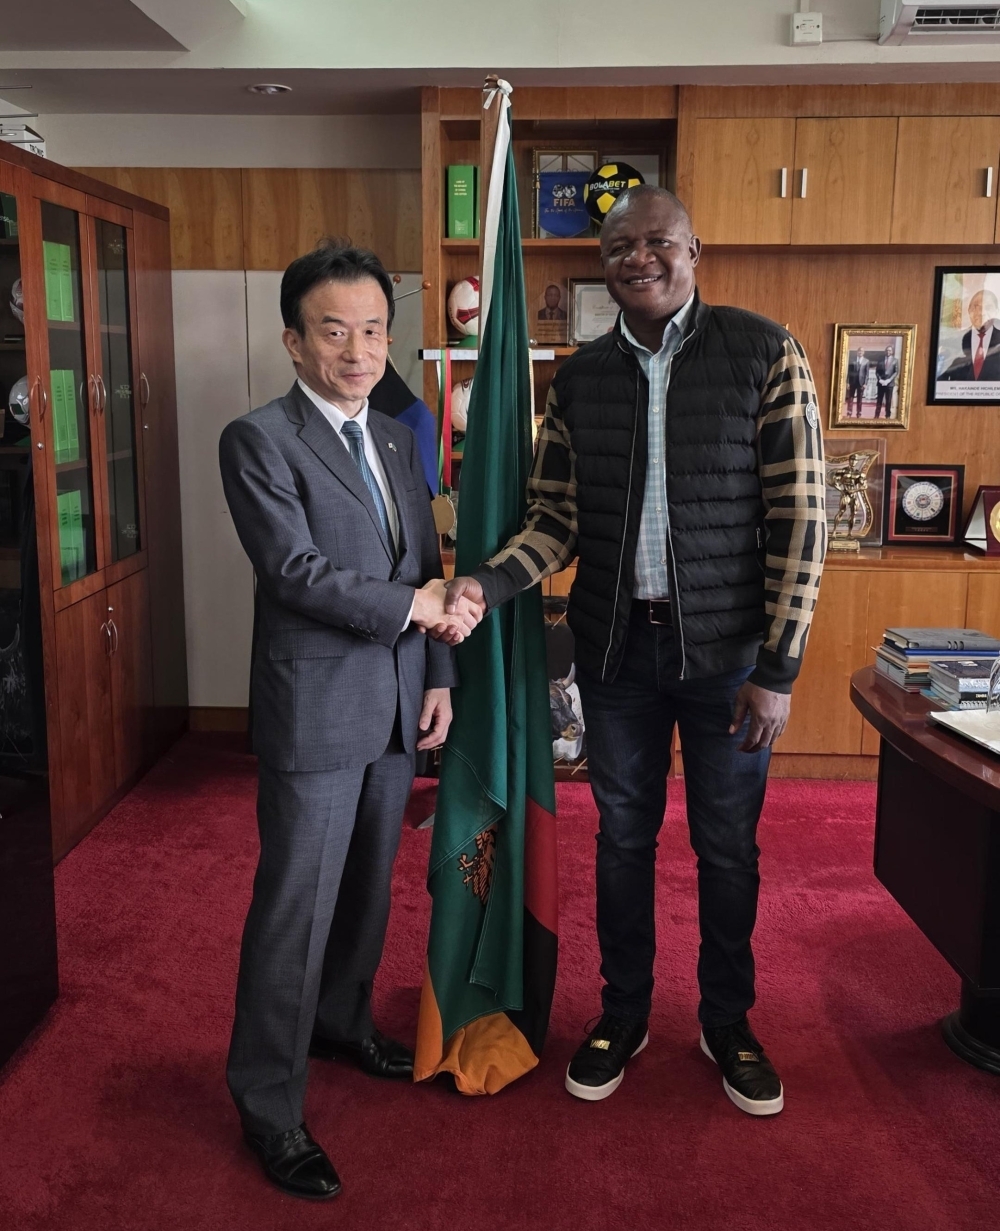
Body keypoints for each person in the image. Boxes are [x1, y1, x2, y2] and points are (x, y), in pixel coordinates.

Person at [445, 185, 826, 1116]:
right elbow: (554, 519)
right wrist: (486, 582)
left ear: (695, 252)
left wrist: (778, 668)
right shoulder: (580, 378)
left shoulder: (764, 351)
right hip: (617, 660)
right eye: (620, 246)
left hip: (730, 664)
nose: (639, 258)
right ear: (603, 264)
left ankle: (728, 1021)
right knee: (623, 839)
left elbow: (802, 516)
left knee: (726, 846)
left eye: (659, 242)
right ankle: (623, 1013)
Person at [218, 240, 482, 1200]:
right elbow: (295, 572)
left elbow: (426, 564)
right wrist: (415, 609)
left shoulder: (400, 438)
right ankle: (268, 1103)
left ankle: (340, 1022)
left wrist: (440, 673)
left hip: (399, 703)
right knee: (296, 905)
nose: (359, 350)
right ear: (294, 340)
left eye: (373, 330)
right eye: (334, 331)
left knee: (369, 888)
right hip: (317, 711)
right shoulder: (258, 440)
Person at [941, 288, 1000, 382]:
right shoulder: (955, 340)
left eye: (988, 307)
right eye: (976, 307)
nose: (981, 313)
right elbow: (940, 378)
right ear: (969, 310)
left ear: (996, 311)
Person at [875, 343, 898, 420]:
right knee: (879, 400)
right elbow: (877, 372)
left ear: (892, 351)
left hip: (889, 384)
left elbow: (896, 372)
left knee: (888, 401)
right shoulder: (880, 360)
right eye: (887, 350)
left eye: (890, 350)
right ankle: (876, 415)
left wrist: (889, 380)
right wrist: (880, 379)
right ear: (885, 351)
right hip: (881, 383)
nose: (888, 352)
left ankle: (887, 415)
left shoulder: (895, 360)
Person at [846, 347, 870, 418]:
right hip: (852, 382)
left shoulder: (866, 361)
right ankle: (849, 412)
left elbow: (867, 374)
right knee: (850, 398)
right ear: (857, 352)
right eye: (859, 351)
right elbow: (849, 372)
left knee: (860, 399)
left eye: (862, 351)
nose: (860, 352)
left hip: (861, 383)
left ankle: (859, 413)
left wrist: (865, 383)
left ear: (863, 352)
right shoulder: (852, 360)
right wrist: (847, 382)